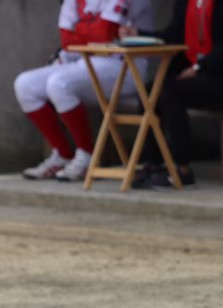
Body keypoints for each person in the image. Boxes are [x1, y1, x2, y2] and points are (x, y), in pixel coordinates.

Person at [128, 0, 223, 190]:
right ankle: (153, 164)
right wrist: (139, 35)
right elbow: (174, 35)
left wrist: (200, 67)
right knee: (150, 90)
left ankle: (182, 170)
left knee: (171, 92)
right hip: (200, 74)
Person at [14, 0, 154, 182]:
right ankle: (62, 155)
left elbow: (105, 33)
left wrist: (80, 30)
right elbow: (67, 40)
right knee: (25, 85)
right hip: (85, 61)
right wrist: (91, 32)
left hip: (125, 66)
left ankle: (86, 156)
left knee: (60, 83)